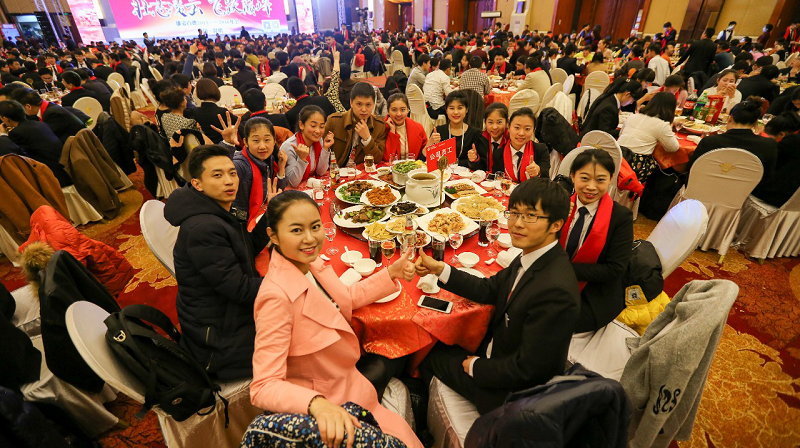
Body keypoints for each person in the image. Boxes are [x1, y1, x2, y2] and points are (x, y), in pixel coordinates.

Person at [249, 190, 422, 448]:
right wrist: (315, 403)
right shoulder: (276, 297)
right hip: (331, 407)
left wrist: (391, 273)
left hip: (352, 384)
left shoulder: (310, 263)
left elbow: (342, 299)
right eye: (296, 230)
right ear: (272, 235)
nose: (310, 239)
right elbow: (263, 386)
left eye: (315, 226)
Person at [416, 177, 580, 415]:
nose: (517, 224)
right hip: (497, 353)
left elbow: (530, 370)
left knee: (426, 354)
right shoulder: (534, 255)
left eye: (530, 216)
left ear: (556, 225)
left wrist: (477, 367)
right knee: (436, 340)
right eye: (514, 213)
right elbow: (489, 289)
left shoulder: (556, 291)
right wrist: (440, 269)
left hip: (509, 395)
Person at [163, 144, 271, 381]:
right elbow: (240, 290)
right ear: (197, 184)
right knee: (302, 333)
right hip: (219, 338)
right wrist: (290, 281)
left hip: (226, 312)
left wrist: (270, 215)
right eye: (217, 175)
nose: (229, 181)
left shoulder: (217, 207)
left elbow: (246, 249)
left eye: (232, 173)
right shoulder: (203, 228)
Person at [562, 148, 633, 332]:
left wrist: (560, 269)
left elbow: (614, 269)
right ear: (573, 176)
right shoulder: (561, 205)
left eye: (600, 180)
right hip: (551, 280)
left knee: (549, 317)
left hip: (592, 293)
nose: (591, 187)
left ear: (610, 179)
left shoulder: (620, 217)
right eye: (584, 178)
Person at [686, 97, 777, 190]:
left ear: (730, 119)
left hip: (702, 190)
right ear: (755, 123)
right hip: (742, 195)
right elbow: (766, 178)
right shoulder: (769, 145)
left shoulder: (710, 142)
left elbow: (691, 170)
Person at [228, 116, 289, 225]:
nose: (262, 146)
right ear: (246, 142)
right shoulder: (240, 165)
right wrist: (227, 144)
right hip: (246, 222)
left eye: (267, 140)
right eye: (256, 141)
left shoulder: (269, 158)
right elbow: (236, 207)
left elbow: (276, 191)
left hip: (263, 212)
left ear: (274, 141)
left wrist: (281, 168)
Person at [0, 100, 72, 187]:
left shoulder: (16, 133)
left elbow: (17, 154)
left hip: (54, 176)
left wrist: (3, 135)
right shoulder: (39, 124)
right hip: (66, 167)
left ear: (5, 118)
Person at [617, 92, 679, 183]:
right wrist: (670, 126)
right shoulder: (662, 125)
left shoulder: (633, 116)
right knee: (663, 173)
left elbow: (620, 134)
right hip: (634, 163)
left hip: (616, 154)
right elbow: (673, 148)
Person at [323, 82, 387, 165]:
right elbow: (322, 152)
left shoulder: (379, 125)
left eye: (368, 105)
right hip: (337, 170)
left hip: (362, 171)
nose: (364, 109)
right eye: (359, 104)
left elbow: (377, 159)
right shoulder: (334, 121)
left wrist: (367, 139)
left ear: (373, 105)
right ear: (351, 102)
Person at [428, 90, 488, 171]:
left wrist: (475, 159)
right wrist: (430, 143)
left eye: (460, 108)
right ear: (446, 110)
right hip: (442, 175)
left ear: (466, 109)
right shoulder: (438, 131)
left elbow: (482, 166)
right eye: (451, 108)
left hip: (466, 177)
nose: (456, 112)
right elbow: (425, 160)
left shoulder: (475, 134)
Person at [488, 107, 549, 182]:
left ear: (533, 130)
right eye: (517, 128)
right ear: (509, 127)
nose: (521, 133)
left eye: (527, 129)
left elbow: (546, 178)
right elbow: (496, 179)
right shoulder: (499, 153)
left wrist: (539, 171)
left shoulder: (540, 150)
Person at [753, 113, 800, 207]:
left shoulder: (789, 143)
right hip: (794, 196)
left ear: (782, 134)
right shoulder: (795, 139)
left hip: (779, 194)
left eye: (769, 137)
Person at [281, 105, 334, 187]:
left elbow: (321, 172)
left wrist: (325, 148)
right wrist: (302, 159)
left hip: (311, 187)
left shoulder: (319, 141)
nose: (318, 131)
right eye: (313, 126)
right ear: (301, 125)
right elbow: (292, 183)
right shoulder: (289, 146)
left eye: (322, 126)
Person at [13, 88, 86, 144]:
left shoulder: (52, 114)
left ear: (28, 106)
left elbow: (46, 137)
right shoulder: (47, 107)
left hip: (78, 146)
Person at [383, 92, 427, 162]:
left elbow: (424, 154)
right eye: (394, 110)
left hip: (414, 167)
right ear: (388, 111)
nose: (399, 114)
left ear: (408, 110)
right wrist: (392, 132)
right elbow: (387, 158)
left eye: (403, 109)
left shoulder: (418, 128)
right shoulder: (382, 128)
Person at [192, 79, 229, 144]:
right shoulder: (223, 111)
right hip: (222, 146)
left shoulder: (193, 112)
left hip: (203, 146)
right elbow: (239, 121)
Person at [482, 103, 508, 173]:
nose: (494, 127)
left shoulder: (510, 140)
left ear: (507, 123)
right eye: (490, 122)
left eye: (499, 122)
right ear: (485, 123)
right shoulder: (481, 139)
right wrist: (475, 160)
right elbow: (479, 166)